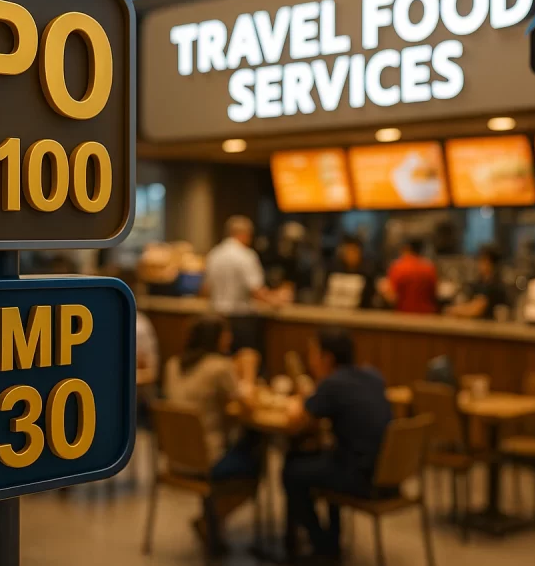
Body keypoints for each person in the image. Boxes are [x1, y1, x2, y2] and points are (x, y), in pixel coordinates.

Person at [281, 328, 392, 560]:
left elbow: (296, 423)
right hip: (389, 474)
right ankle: (331, 540)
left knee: (291, 471)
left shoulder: (332, 384)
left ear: (327, 358)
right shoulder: (372, 375)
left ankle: (322, 546)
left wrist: (298, 399)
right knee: (328, 457)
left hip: (362, 478)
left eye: (313, 353)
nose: (310, 360)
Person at [163, 316, 260, 551]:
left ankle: (211, 522)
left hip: (175, 458)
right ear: (216, 338)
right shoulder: (219, 366)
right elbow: (247, 403)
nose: (230, 338)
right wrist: (248, 371)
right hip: (207, 461)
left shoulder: (173, 364)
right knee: (257, 462)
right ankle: (211, 521)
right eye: (226, 333)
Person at [205, 216, 279, 355]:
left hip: (217, 318)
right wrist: (275, 301)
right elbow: (256, 290)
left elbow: (206, 288)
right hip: (241, 320)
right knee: (246, 361)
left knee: (221, 361)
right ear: (245, 234)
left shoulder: (214, 254)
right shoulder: (246, 255)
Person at [446, 244, 508, 319]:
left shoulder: (495, 284)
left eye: (482, 260)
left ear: (489, 263)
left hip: (491, 328)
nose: (479, 264)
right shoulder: (481, 282)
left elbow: (477, 309)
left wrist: (454, 311)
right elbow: (473, 303)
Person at [322, 235, 378, 309]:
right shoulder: (333, 271)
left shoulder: (367, 274)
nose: (350, 255)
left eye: (354, 251)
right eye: (348, 251)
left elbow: (368, 300)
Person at [383, 237, 437, 313]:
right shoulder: (429, 268)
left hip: (404, 315)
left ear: (406, 249)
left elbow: (391, 296)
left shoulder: (398, 267)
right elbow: (434, 293)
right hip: (427, 315)